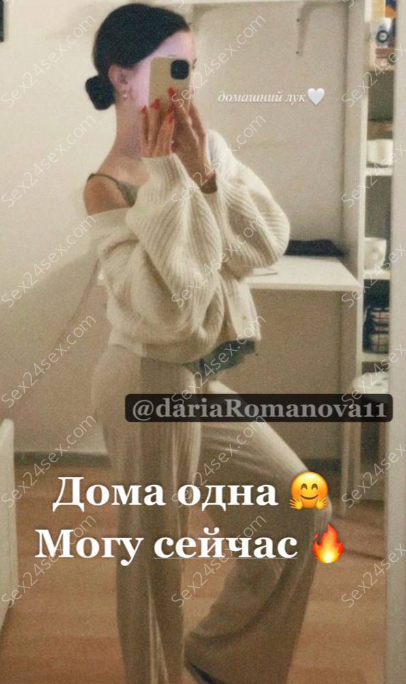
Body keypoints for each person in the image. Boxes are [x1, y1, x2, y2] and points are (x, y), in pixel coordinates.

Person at [84, 5, 331, 684]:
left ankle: (224, 659)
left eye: (190, 67)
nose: (185, 84)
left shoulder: (209, 148)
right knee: (154, 561)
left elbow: (264, 245)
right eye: (172, 67)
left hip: (195, 376)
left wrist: (203, 173)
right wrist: (168, 176)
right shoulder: (106, 187)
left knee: (299, 501)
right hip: (144, 377)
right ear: (123, 78)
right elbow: (175, 309)